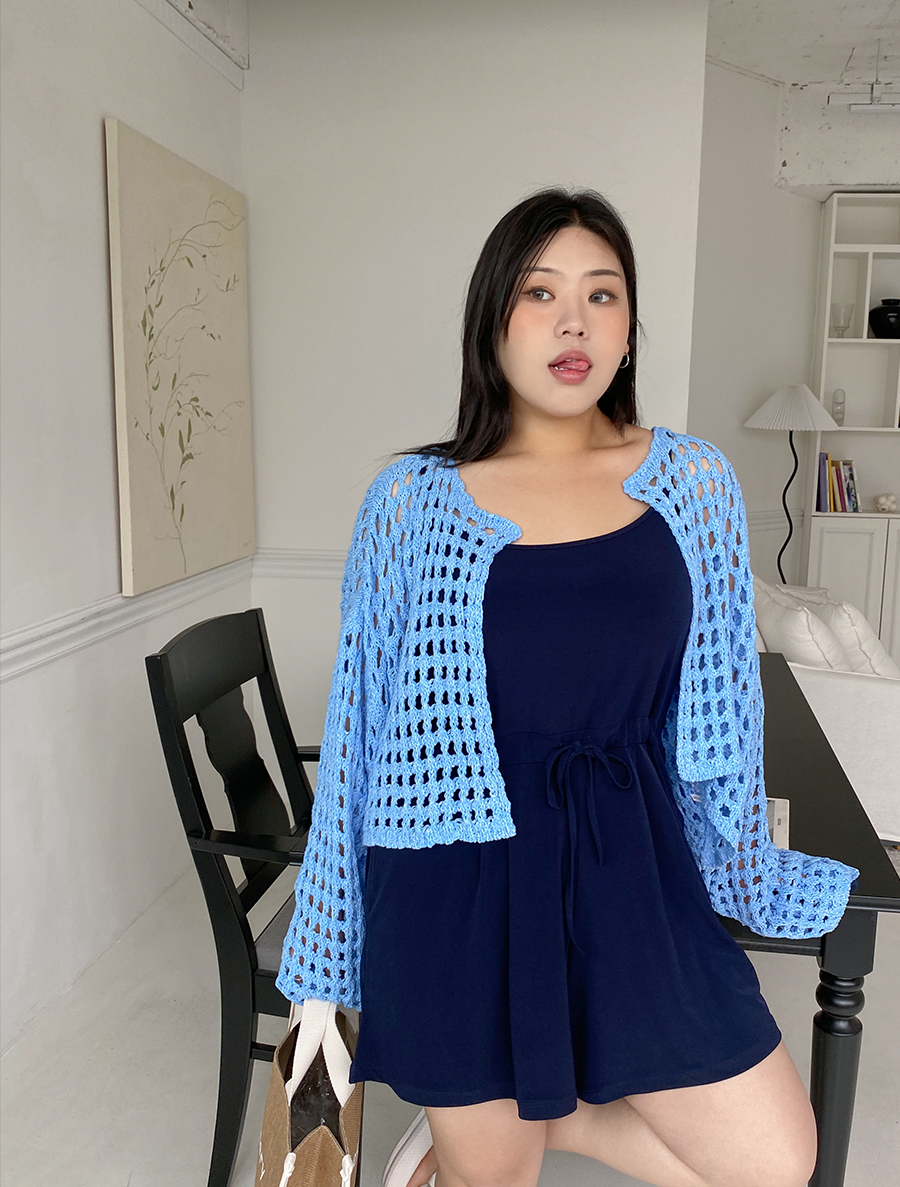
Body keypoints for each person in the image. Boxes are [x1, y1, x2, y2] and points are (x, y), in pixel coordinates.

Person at [276, 188, 859, 1187]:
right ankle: (484, 1135)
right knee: (494, 1178)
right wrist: (326, 946)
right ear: (493, 321)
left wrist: (740, 852)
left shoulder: (694, 482)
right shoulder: (411, 501)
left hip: (629, 858)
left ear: (629, 329)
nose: (574, 321)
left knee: (773, 1160)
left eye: (602, 294)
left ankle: (545, 1118)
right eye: (540, 293)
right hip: (457, 877)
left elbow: (720, 714)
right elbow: (362, 733)